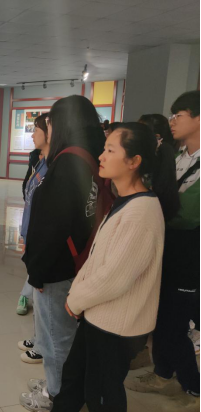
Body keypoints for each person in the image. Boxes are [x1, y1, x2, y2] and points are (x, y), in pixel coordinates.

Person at [52, 123, 180, 412]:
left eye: (110, 150)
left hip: (115, 325)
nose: (101, 156)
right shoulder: (125, 201)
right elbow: (101, 259)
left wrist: (76, 299)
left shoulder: (141, 213)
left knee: (101, 395)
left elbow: (114, 278)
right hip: (98, 316)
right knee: (75, 380)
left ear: (134, 161)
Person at [20, 95, 106, 411]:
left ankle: (56, 396)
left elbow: (53, 226)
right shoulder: (88, 157)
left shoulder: (68, 162)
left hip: (57, 268)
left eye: (51, 122)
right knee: (61, 335)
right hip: (75, 261)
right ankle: (59, 386)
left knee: (56, 338)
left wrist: (37, 272)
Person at [126, 91, 201, 405]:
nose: (172, 121)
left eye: (179, 115)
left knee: (174, 325)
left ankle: (193, 387)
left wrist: (153, 210)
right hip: (167, 252)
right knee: (162, 318)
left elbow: (187, 215)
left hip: (189, 258)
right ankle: (162, 373)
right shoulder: (178, 156)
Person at [16, 113, 50, 367]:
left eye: (36, 130)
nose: (32, 134)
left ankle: (43, 345)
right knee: (38, 298)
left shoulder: (54, 168)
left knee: (45, 297)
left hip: (42, 240)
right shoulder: (40, 162)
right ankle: (38, 338)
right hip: (32, 236)